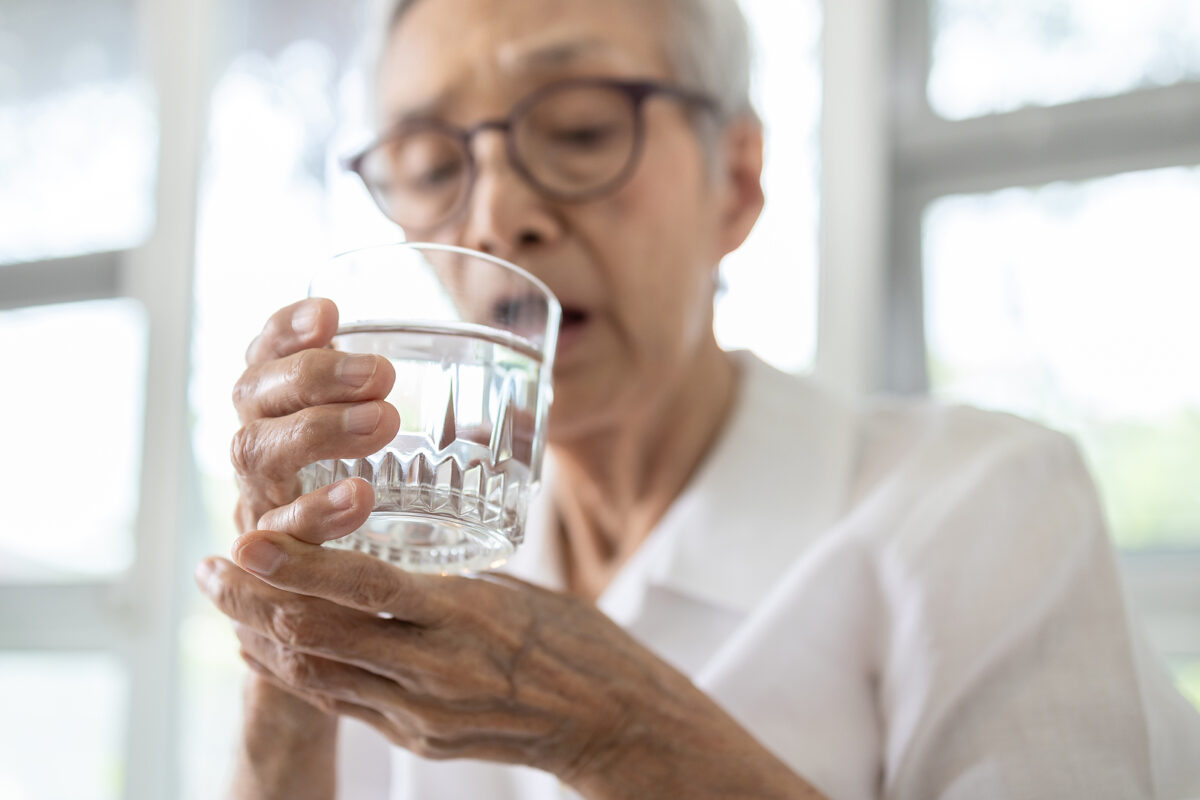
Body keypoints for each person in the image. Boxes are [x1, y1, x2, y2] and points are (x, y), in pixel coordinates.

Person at [195, 0, 1200, 797]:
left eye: (582, 130)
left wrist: (624, 733)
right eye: (429, 165)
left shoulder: (985, 504)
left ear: (738, 180)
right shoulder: (408, 550)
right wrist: (286, 676)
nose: (498, 213)